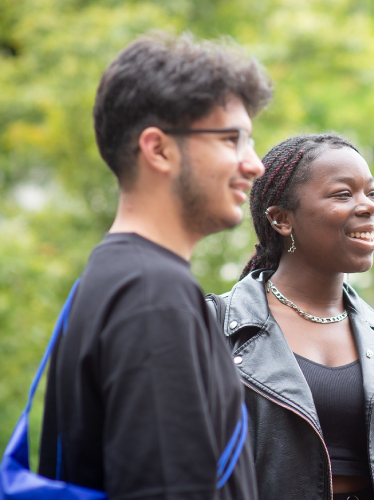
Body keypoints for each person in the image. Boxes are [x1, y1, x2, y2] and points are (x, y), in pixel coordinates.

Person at [36, 32, 273, 499]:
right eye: (232, 138)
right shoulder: (152, 294)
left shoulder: (111, 276)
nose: (255, 164)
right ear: (158, 149)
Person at [220, 134, 374, 500]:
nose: (369, 208)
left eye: (372, 193)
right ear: (281, 219)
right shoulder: (219, 327)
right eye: (343, 194)